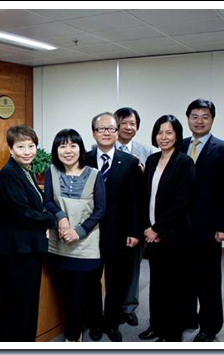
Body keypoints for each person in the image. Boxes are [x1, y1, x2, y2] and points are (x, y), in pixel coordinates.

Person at [180, 99, 224, 342]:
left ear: (212, 119)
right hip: (180, 226)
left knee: (208, 279)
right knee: (183, 276)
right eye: (194, 116)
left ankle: (210, 326)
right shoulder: (179, 145)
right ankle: (188, 317)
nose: (199, 121)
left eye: (204, 116)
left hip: (208, 227)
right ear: (188, 119)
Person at [0, 125, 56, 341]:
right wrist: (52, 219)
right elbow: (22, 213)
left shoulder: (25, 171)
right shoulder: (9, 174)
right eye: (21, 146)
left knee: (27, 305)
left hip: (27, 249)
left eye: (31, 146)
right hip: (17, 253)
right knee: (16, 309)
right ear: (10, 149)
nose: (27, 151)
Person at [45, 129, 106, 342]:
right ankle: (77, 328)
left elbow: (100, 210)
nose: (68, 150)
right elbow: (48, 202)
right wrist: (61, 218)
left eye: (73, 145)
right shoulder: (51, 171)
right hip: (59, 244)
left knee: (80, 292)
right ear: (56, 150)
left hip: (85, 244)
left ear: (81, 149)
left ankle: (73, 336)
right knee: (66, 292)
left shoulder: (94, 174)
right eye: (62, 146)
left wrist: (78, 232)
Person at [138, 115, 194, 342]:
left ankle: (171, 332)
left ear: (177, 136)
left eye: (169, 132)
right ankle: (156, 324)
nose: (164, 137)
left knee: (174, 285)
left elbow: (182, 202)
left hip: (173, 235)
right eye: (160, 132)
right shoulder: (151, 160)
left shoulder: (184, 162)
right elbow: (144, 196)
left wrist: (157, 229)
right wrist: (146, 228)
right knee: (157, 283)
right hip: (152, 234)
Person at [86, 112, 141, 342]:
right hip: (90, 234)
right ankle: (94, 322)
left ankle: (111, 322)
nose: (106, 133)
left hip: (119, 234)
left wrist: (134, 231)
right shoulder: (84, 159)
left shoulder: (129, 162)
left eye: (111, 129)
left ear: (117, 133)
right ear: (93, 133)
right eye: (101, 129)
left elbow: (136, 200)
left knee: (116, 281)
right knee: (90, 280)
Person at [113, 107, 154, 328]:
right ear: (115, 125)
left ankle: (128, 307)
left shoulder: (147, 152)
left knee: (133, 266)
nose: (129, 127)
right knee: (109, 266)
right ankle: (110, 306)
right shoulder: (100, 148)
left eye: (133, 124)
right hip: (109, 220)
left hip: (135, 218)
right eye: (125, 123)